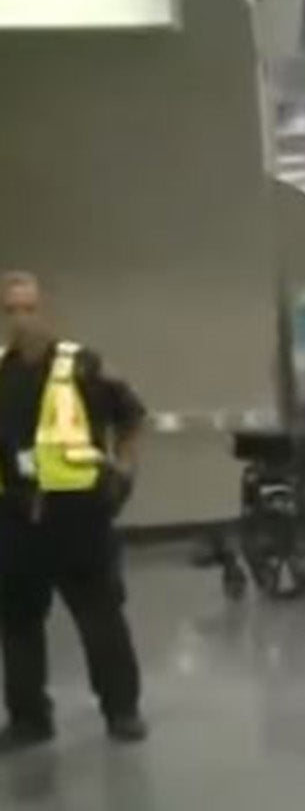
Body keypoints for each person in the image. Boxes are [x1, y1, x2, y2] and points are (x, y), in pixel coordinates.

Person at [0, 271, 148, 750]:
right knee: (18, 622)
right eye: (11, 310)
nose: (22, 320)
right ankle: (29, 718)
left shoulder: (84, 366)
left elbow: (133, 418)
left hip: (77, 515)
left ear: (48, 311)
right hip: (17, 517)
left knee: (99, 615)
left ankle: (121, 709)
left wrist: (123, 474)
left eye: (30, 308)